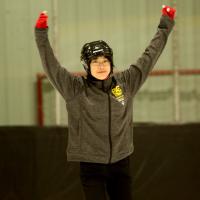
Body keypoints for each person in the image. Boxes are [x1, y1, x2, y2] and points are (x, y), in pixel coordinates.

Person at [35, 5, 175, 200]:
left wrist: (165, 24)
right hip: (92, 168)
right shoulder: (74, 88)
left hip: (121, 164)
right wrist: (41, 33)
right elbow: (51, 66)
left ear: (111, 63)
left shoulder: (126, 83)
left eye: (105, 61)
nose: (101, 66)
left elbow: (149, 57)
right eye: (95, 62)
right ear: (86, 65)